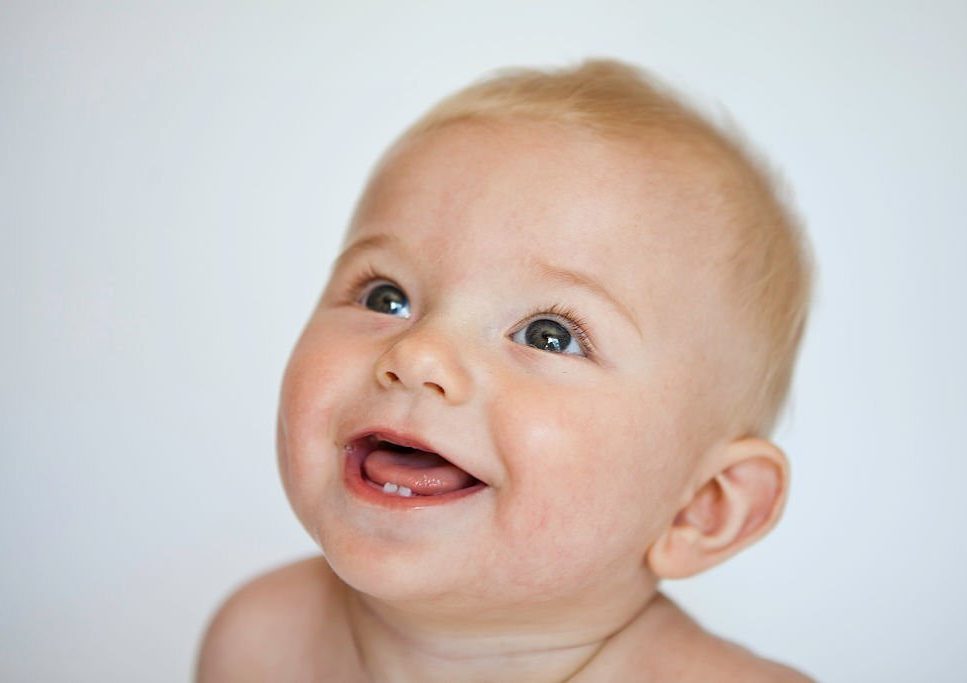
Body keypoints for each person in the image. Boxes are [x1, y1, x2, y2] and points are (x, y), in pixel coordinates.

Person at [197, 58, 815, 682]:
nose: (418, 353)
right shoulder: (261, 643)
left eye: (550, 335)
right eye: (385, 297)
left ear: (701, 509)